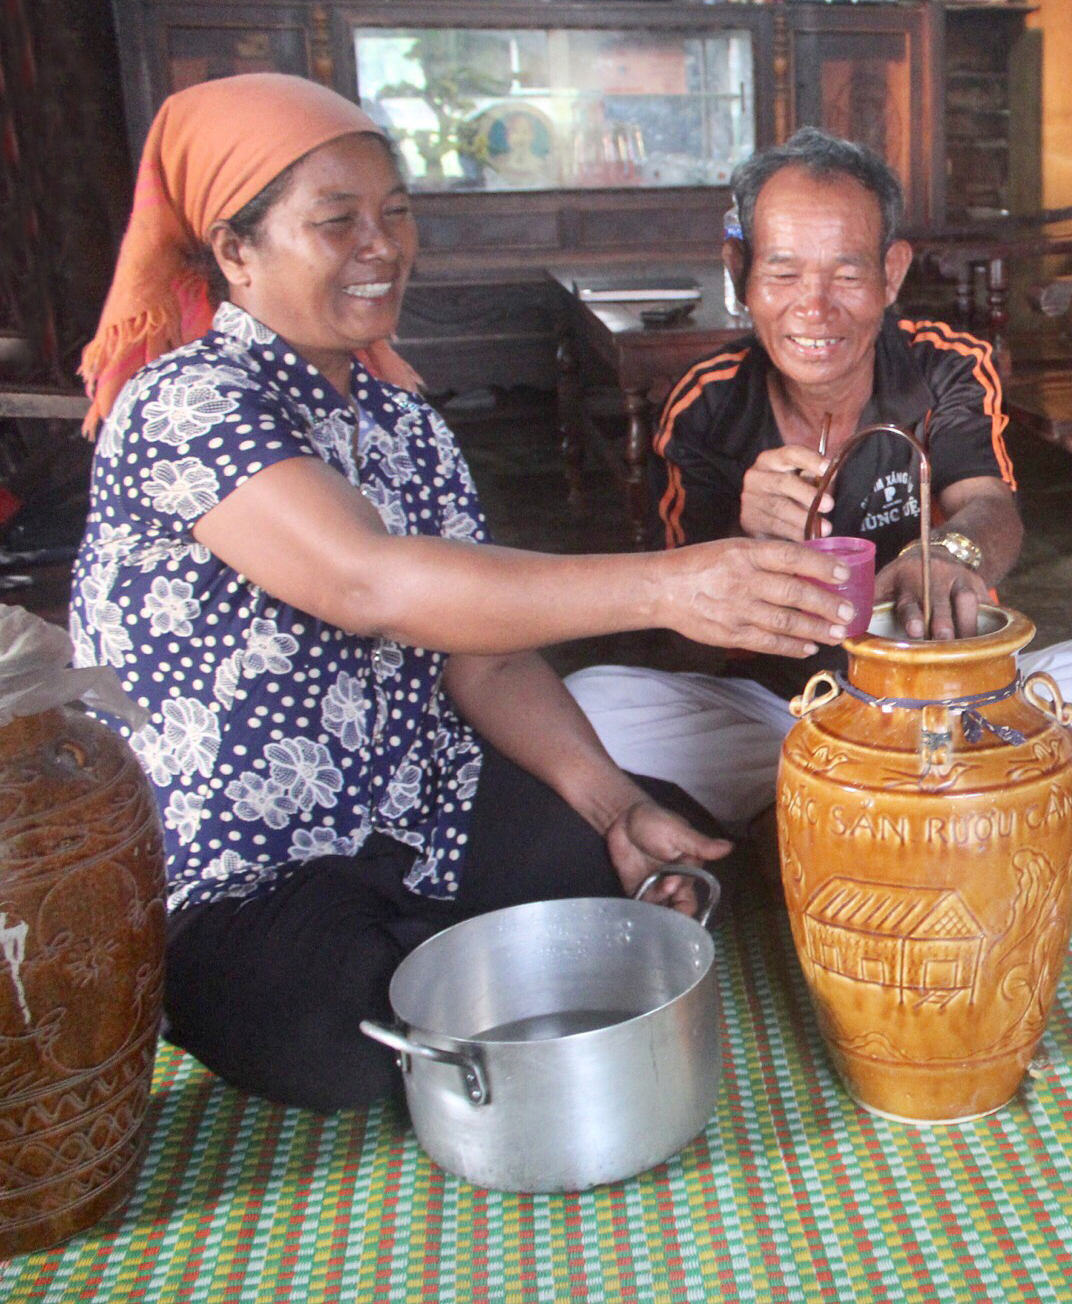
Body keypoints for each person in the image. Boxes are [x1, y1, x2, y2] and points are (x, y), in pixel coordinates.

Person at [69, 76, 853, 1113]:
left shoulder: (403, 422)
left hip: (420, 805)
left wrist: (613, 806)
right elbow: (371, 582)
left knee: (634, 871)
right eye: (337, 221)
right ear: (236, 250)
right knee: (337, 1032)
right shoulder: (186, 403)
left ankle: (471, 958)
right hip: (246, 861)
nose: (381, 245)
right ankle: (451, 974)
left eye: (396, 212)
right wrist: (669, 584)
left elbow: (480, 652)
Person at [566, 128, 1025, 840]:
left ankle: (834, 800)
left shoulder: (946, 368)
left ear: (891, 274)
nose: (814, 308)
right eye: (782, 273)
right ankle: (906, 791)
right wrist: (741, 544)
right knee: (590, 704)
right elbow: (679, 646)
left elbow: (991, 507)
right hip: (779, 709)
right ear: (739, 273)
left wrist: (948, 555)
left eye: (846, 274)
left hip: (943, 690)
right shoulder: (705, 407)